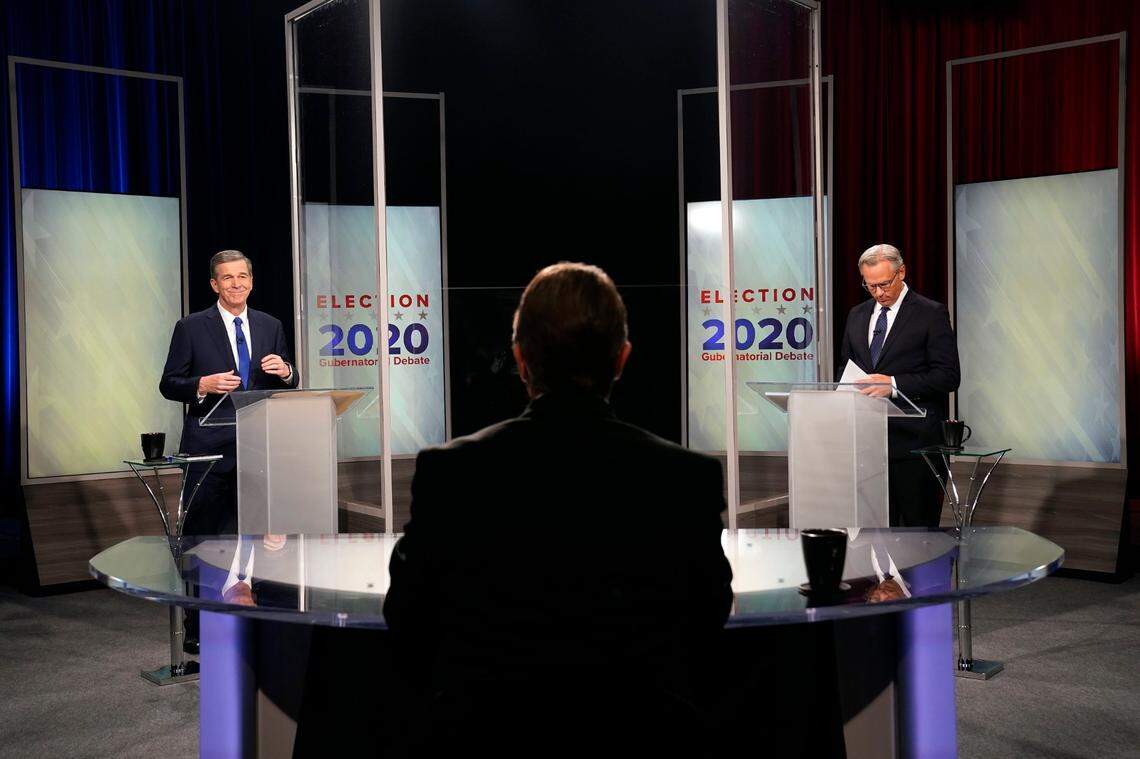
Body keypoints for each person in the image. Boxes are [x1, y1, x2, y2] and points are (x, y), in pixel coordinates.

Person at [382, 262, 733, 756]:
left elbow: (408, 622)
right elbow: (707, 626)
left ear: (521, 359)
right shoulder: (685, 477)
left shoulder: (451, 473)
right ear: (622, 359)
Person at [159, 249, 299, 536]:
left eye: (242, 276)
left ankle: (252, 582)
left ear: (251, 281)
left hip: (259, 449)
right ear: (215, 284)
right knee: (204, 542)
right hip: (207, 453)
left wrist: (286, 371)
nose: (236, 284)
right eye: (228, 278)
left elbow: (289, 377)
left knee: (258, 537)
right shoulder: (191, 327)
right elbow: (169, 383)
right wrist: (202, 385)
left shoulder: (270, 325)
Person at [839, 243, 960, 527]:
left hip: (916, 450)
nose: (879, 293)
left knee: (918, 541)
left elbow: (948, 376)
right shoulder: (857, 315)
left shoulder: (931, 313)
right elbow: (845, 368)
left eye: (884, 283)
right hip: (867, 447)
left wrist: (893, 384)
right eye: (870, 286)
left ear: (901, 272)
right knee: (874, 542)